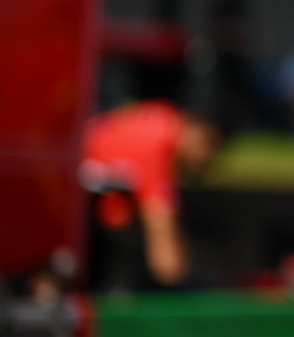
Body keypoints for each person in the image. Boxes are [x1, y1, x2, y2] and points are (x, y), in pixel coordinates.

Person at [79, 100, 224, 289]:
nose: (206, 162)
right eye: (211, 147)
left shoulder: (160, 115)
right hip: (80, 230)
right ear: (200, 134)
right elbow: (167, 267)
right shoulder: (157, 143)